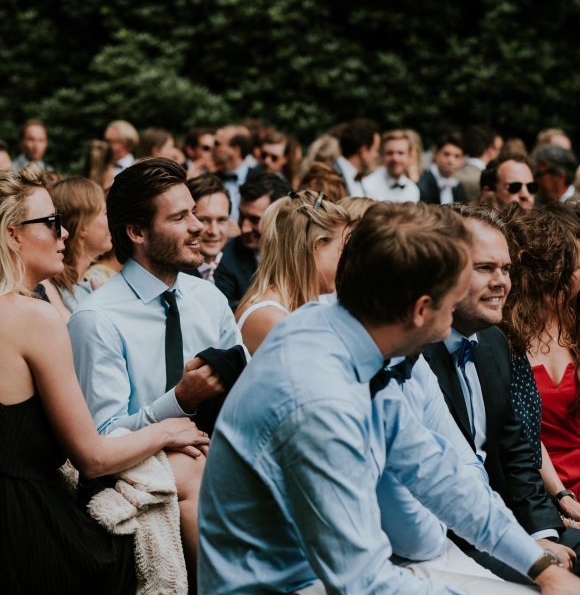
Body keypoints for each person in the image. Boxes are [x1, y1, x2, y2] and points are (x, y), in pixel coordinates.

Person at [198, 201, 580, 594]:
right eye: (451, 305)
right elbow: (363, 582)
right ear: (420, 310)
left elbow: (438, 473)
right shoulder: (320, 401)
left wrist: (542, 569)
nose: (454, 322)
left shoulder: (355, 339)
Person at [0, 163, 208, 594]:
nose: (65, 234)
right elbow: (91, 457)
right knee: (185, 470)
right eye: (51, 223)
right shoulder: (32, 316)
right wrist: (165, 431)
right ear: (11, 234)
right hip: (19, 538)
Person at [68, 158, 243, 576]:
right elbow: (101, 440)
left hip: (219, 454)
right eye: (181, 217)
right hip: (142, 476)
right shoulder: (96, 318)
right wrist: (179, 401)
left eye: (194, 213)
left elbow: (246, 392)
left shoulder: (209, 300)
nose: (199, 227)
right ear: (137, 232)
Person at [423, 203, 580, 584]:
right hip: (452, 538)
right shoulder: (415, 352)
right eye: (484, 268)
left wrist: (544, 534)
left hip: (509, 521)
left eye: (506, 269)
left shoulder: (492, 341)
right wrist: (530, 552)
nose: (501, 282)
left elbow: (516, 455)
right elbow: (443, 485)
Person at [501, 204, 580, 523]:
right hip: (543, 491)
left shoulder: (575, 324)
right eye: (573, 262)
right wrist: (560, 497)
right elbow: (521, 435)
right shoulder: (505, 336)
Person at [234, 191, 350, 353]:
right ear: (316, 246)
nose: (347, 261)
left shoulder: (299, 308)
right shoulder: (270, 318)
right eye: (343, 250)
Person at [213, 173, 290, 311]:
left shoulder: (297, 253)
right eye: (241, 216)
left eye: (255, 220)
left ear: (280, 219)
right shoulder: (227, 262)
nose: (244, 228)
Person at [44, 177, 112, 318]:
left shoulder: (94, 282)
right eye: (104, 213)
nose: (111, 220)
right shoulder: (50, 287)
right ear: (83, 226)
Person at [212, 124, 265, 221]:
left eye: (217, 143)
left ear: (235, 150)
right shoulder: (212, 179)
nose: (212, 147)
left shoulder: (261, 178)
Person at [184, 174, 230, 282]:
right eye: (203, 220)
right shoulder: (172, 273)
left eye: (221, 220)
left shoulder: (240, 267)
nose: (213, 231)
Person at [362, 130, 422, 203]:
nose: (395, 158)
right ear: (382, 155)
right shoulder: (367, 186)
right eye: (390, 153)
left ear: (409, 156)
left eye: (400, 153)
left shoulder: (413, 190)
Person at [333, 118, 380, 198]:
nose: (377, 155)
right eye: (375, 150)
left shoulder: (359, 178)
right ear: (363, 151)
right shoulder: (332, 177)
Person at [455, 125, 503, 202]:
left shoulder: (452, 176)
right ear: (490, 149)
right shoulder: (492, 181)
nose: (499, 153)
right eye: (497, 149)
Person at [418, 132, 468, 205]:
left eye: (457, 156)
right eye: (446, 154)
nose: (451, 161)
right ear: (436, 154)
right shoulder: (422, 183)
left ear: (462, 160)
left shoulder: (458, 186)